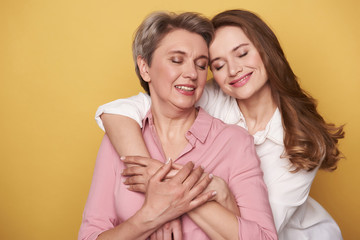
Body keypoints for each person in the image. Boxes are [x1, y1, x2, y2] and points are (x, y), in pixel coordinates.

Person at [95, 9, 345, 240]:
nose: (234, 70)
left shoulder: (303, 142)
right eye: (217, 65)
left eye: (242, 53)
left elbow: (261, 231)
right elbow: (123, 109)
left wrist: (163, 184)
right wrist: (154, 180)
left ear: (266, 50)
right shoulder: (209, 93)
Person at [79, 11, 277, 240]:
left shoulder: (235, 142)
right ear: (145, 68)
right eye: (176, 60)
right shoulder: (121, 139)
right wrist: (151, 215)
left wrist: (179, 194)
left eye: (202, 65)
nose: (192, 73)